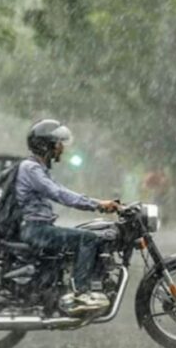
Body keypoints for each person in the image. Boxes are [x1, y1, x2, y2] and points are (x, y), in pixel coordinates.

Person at [15, 119, 120, 313]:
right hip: (35, 229)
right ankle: (81, 293)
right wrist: (97, 204)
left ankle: (67, 289)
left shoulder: (39, 168)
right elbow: (59, 194)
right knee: (87, 239)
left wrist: (98, 203)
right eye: (58, 143)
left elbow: (60, 190)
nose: (61, 148)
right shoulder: (31, 168)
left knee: (83, 236)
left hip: (37, 227)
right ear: (46, 145)